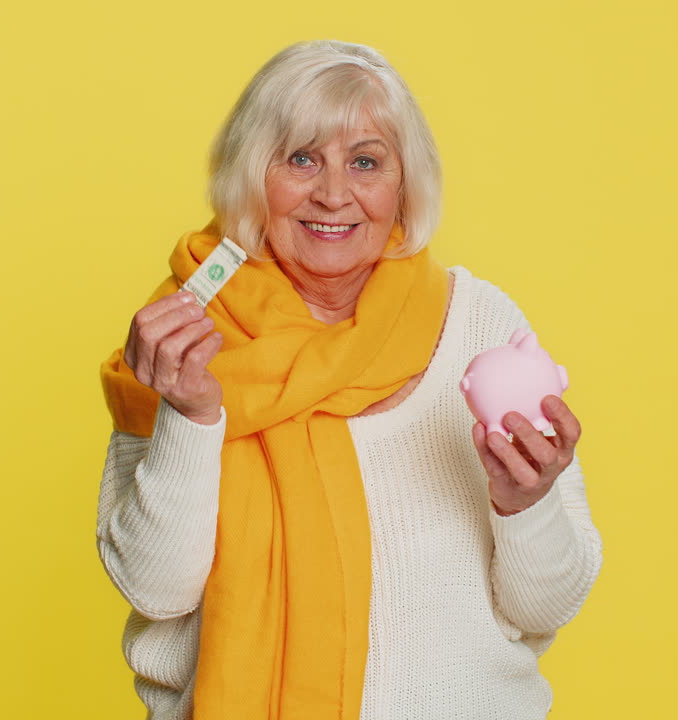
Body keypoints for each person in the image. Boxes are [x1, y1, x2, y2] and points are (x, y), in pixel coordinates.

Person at [96, 39, 603, 720]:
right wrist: (191, 415)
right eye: (301, 158)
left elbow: (546, 604)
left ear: (403, 186)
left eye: (365, 162)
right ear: (251, 176)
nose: (334, 194)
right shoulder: (182, 342)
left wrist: (527, 502)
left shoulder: (478, 323)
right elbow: (157, 590)